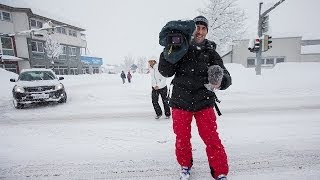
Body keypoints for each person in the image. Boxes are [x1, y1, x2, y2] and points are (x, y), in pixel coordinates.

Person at [158, 16, 232, 180]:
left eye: (203, 28)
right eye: (197, 27)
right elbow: (166, 72)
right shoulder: (180, 49)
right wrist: (167, 50)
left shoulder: (211, 52)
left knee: (212, 138)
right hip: (180, 102)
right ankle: (185, 166)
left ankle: (220, 172)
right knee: (182, 138)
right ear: (192, 30)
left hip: (204, 102)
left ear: (206, 31)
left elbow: (226, 76)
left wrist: (220, 81)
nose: (200, 31)